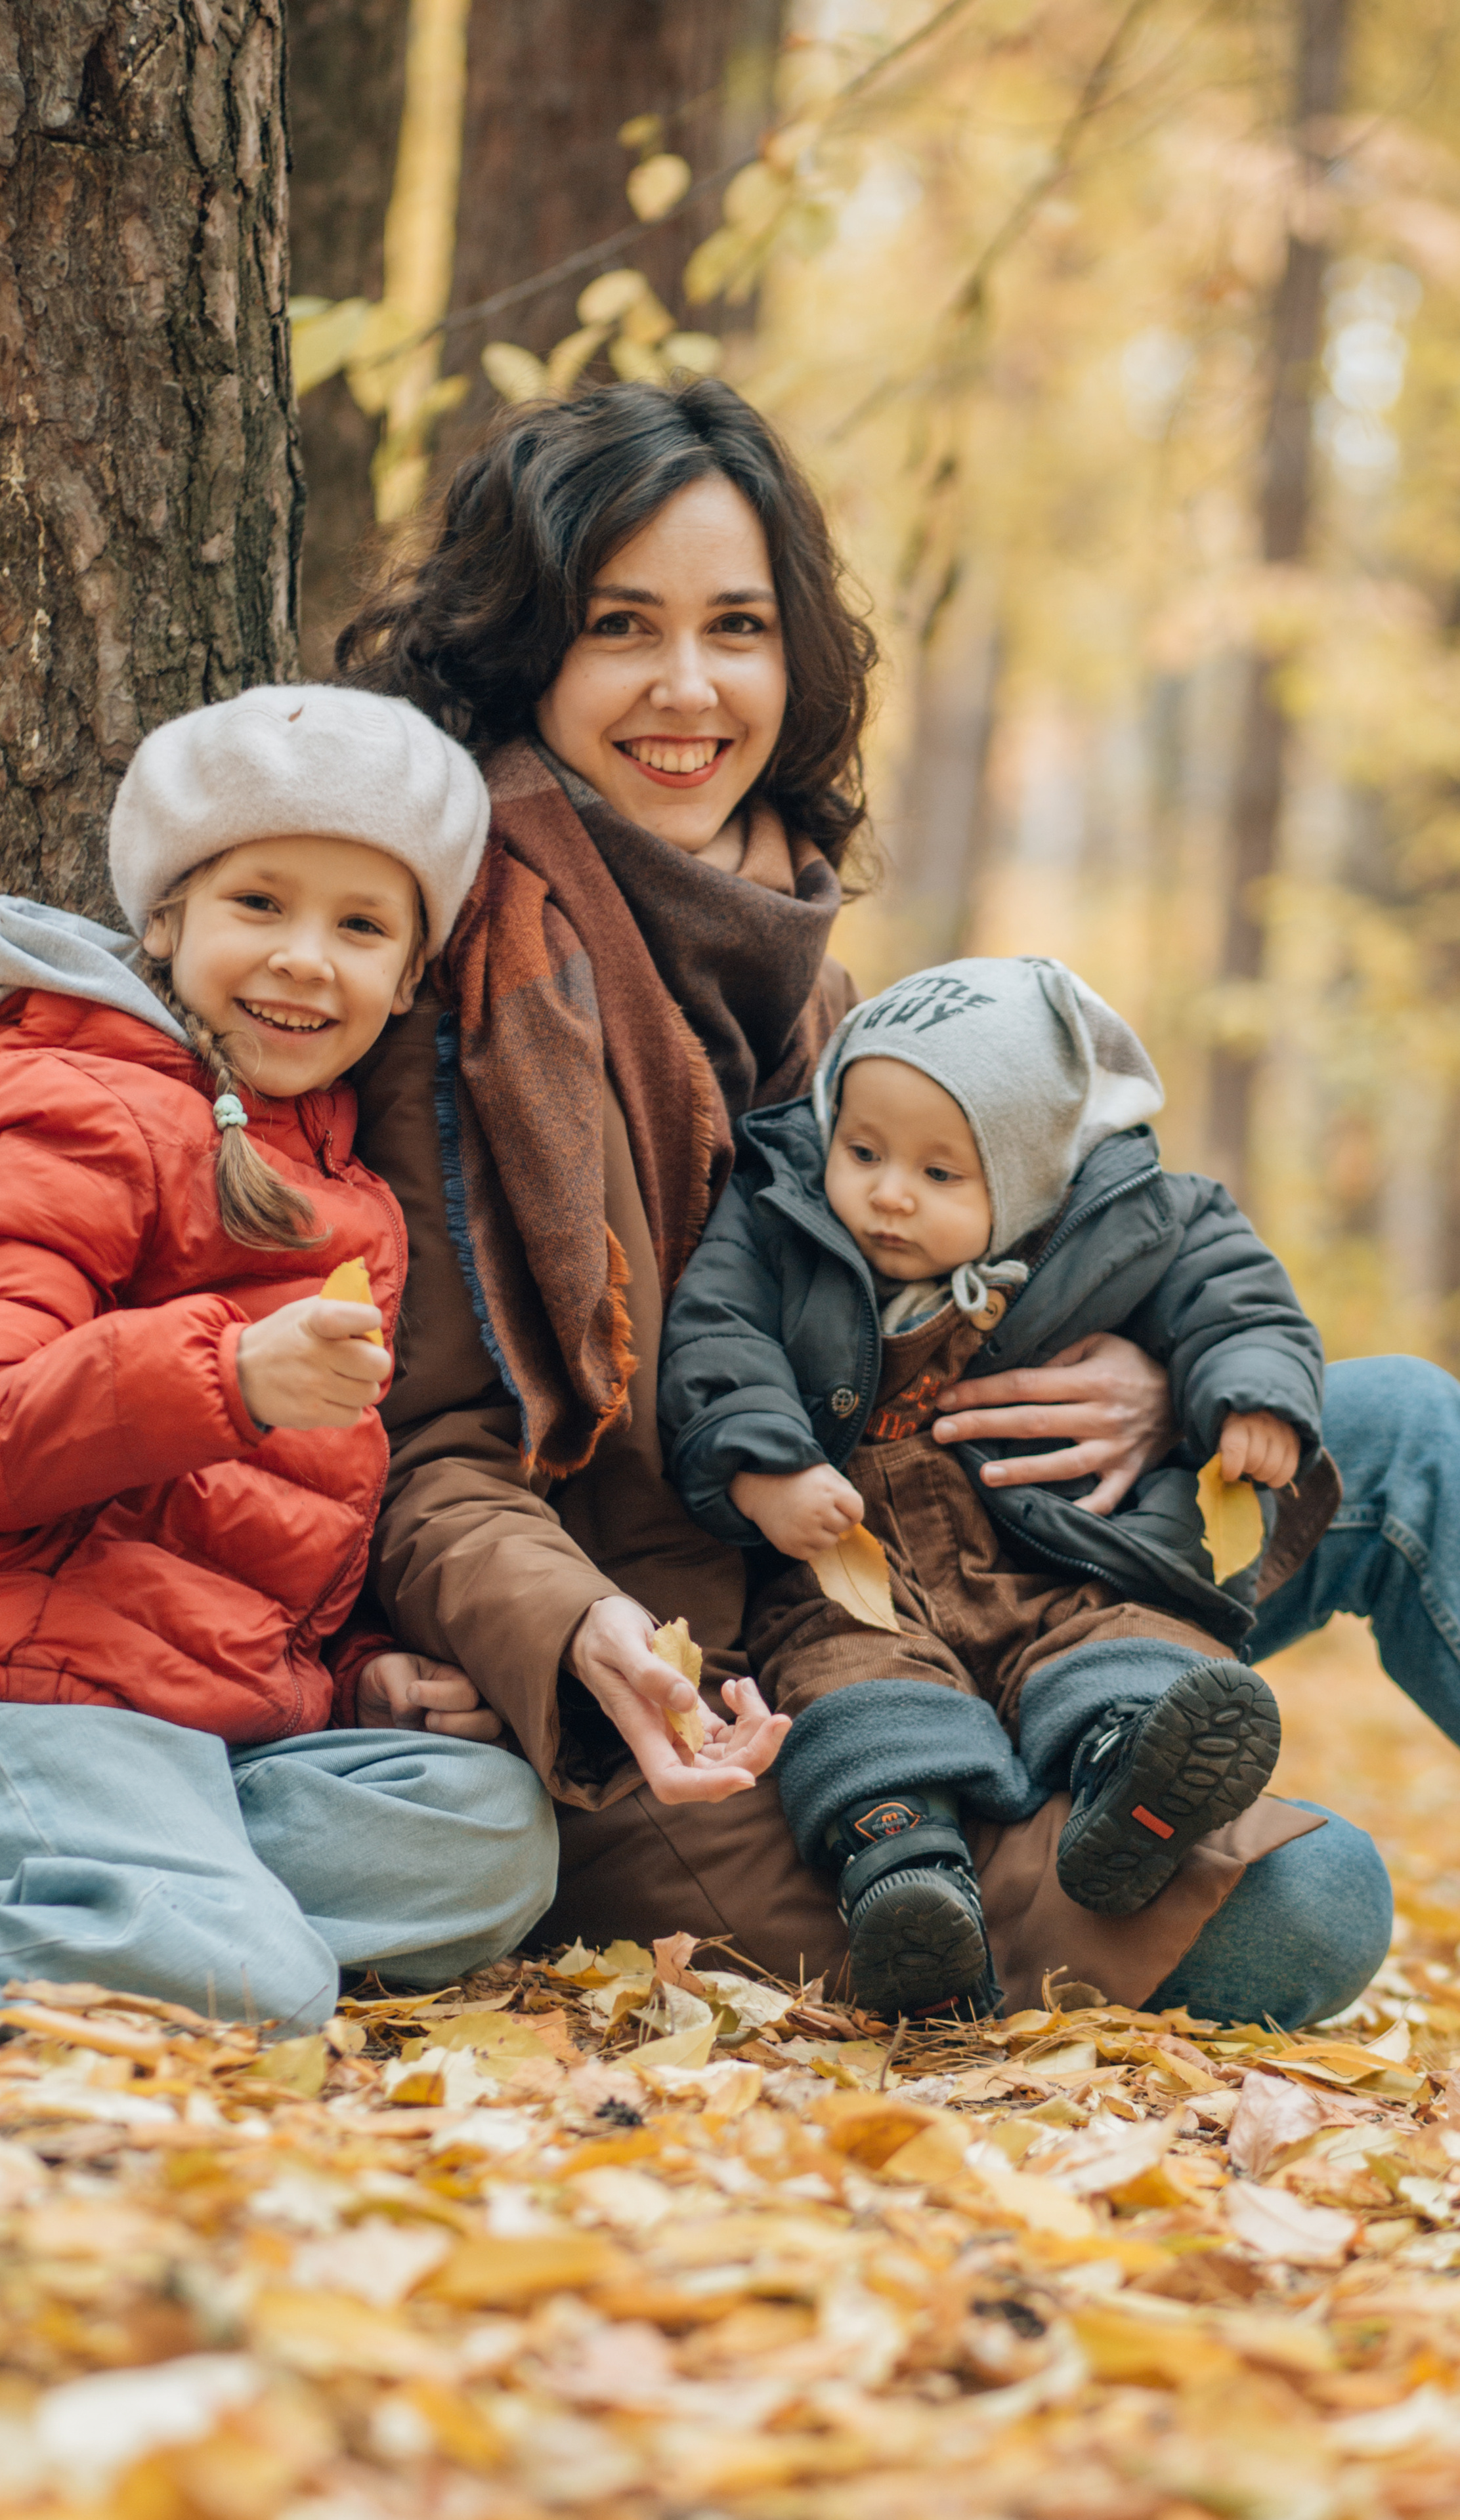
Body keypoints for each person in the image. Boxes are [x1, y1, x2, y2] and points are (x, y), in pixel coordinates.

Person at [339, 374, 1439, 2029]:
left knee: (1404, 1432)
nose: (688, 688)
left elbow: (973, 1242)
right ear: (525, 648)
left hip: (951, 1534)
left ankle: (1078, 1751)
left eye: (737, 626)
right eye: (621, 626)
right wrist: (579, 1641)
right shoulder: (462, 982)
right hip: (716, 1670)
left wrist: (1155, 1378)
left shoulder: (798, 953)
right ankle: (975, 1826)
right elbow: (434, 1459)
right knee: (1304, 1906)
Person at [0, 686, 557, 2029]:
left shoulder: (343, 1181)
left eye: (360, 926)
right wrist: (230, 1375)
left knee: (485, 1835)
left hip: (183, 1727)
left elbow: (253, 1535)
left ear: (407, 974)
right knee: (250, 1984)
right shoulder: (63, 1097)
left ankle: (11, 1904)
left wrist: (364, 1671)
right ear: (168, 918)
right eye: (261, 905)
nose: (306, 959)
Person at [659, 954, 1340, 2017]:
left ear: (1027, 1178)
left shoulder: (1130, 1220)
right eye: (864, 1150)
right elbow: (718, 1336)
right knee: (850, 1684)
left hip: (1048, 1541)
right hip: (852, 1563)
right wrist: (765, 1467)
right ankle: (906, 1882)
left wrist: (1250, 1396)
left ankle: (1136, 1781)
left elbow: (1235, 1293)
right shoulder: (779, 1213)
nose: (887, 1194)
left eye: (941, 1175)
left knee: (1115, 1635)